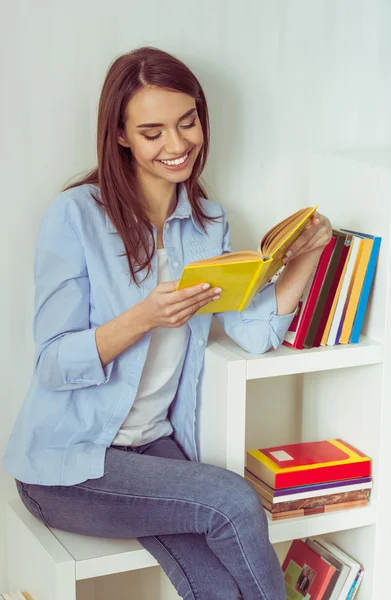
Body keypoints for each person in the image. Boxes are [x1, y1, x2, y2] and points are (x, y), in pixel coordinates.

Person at [3, 47, 331, 600]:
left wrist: (304, 257)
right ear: (121, 135)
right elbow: (54, 363)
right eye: (153, 132)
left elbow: (254, 331)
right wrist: (143, 317)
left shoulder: (207, 225)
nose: (177, 146)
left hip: (154, 451)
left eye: (187, 123)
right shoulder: (76, 215)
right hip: (68, 463)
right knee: (233, 501)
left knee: (220, 589)